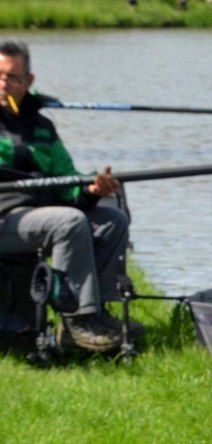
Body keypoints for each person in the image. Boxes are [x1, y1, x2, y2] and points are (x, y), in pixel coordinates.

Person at [0, 40, 131, 353]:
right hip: (5, 219)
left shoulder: (42, 127)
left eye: (12, 77)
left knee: (113, 220)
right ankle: (77, 320)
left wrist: (91, 191)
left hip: (40, 213)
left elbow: (68, 182)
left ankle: (98, 313)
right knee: (68, 222)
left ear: (29, 81)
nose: (3, 83)